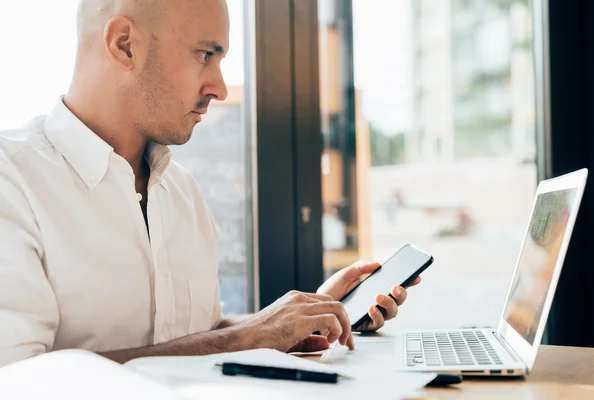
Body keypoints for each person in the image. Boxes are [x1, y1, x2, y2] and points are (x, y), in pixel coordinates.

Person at [0, 0, 419, 367]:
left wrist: (303, 318)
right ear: (124, 44)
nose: (218, 87)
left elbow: (201, 335)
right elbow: (20, 379)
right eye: (205, 54)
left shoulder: (181, 192)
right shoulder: (12, 181)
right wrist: (246, 336)